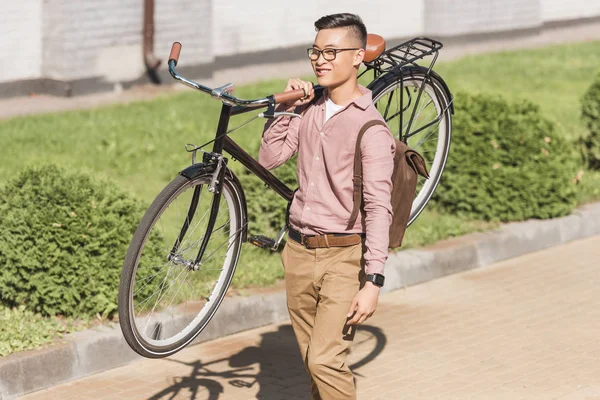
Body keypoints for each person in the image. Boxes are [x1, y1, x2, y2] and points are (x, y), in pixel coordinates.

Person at [258, 12, 396, 399]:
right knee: (313, 362)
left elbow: (378, 207)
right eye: (316, 51)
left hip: (344, 259)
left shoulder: (371, 128)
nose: (320, 59)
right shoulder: (309, 109)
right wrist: (286, 108)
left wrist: (373, 281)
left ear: (357, 57)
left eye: (332, 52)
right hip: (299, 251)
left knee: (324, 361)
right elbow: (269, 159)